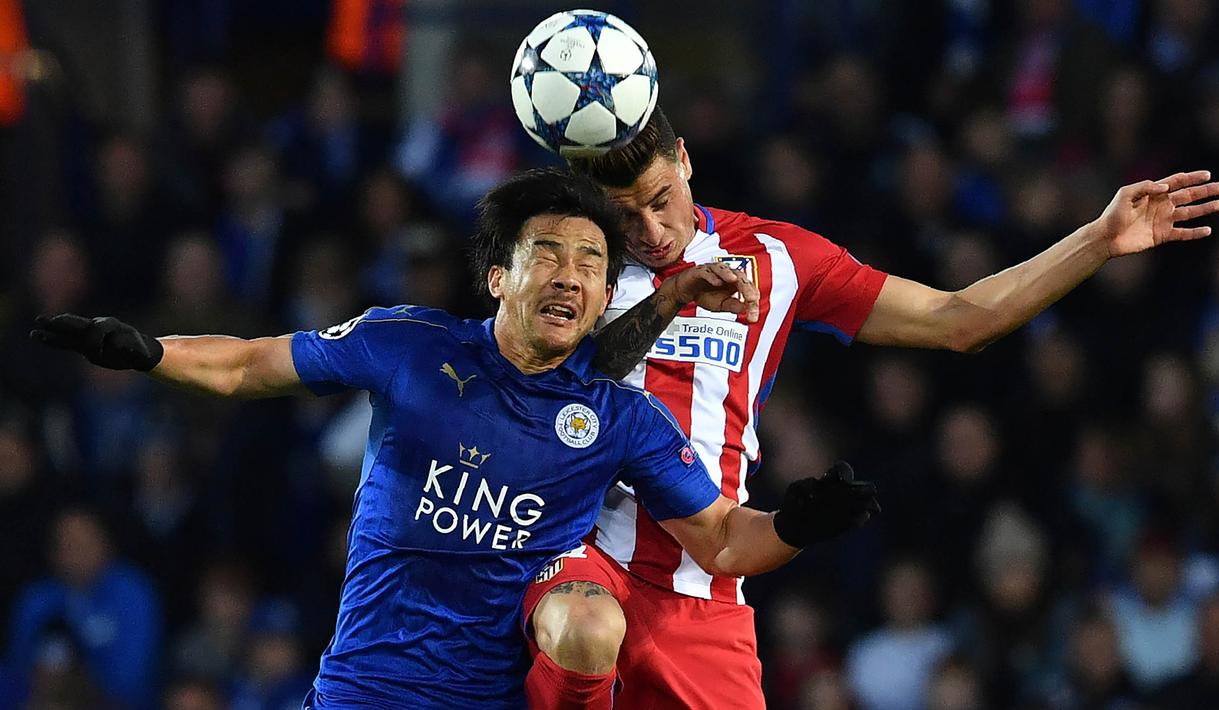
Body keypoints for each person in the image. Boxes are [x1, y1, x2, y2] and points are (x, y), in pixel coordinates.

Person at [30, 167, 880, 709]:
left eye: (591, 264)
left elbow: (724, 540)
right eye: (548, 256)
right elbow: (250, 365)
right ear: (498, 276)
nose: (571, 278)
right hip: (362, 692)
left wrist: (797, 523)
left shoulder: (619, 421)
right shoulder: (408, 345)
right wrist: (147, 352)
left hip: (489, 701)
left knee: (588, 628)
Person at [528, 106, 1219, 709]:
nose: (651, 230)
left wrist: (1097, 240)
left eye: (661, 200)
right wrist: (670, 295)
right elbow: (557, 381)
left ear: (684, 161)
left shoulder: (778, 257)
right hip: (587, 557)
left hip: (706, 583)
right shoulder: (578, 264)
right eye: (625, 215)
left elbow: (960, 319)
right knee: (580, 631)